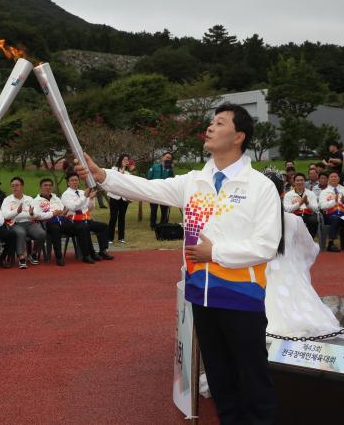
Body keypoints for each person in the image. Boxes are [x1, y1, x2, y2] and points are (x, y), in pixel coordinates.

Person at [76, 103, 281, 424]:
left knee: (254, 383)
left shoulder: (259, 187)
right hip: (201, 296)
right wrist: (103, 176)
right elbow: (146, 188)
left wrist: (216, 253)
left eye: (220, 123)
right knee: (220, 382)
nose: (210, 127)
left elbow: (266, 245)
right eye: (211, 122)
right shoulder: (195, 182)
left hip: (242, 298)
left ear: (239, 136)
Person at [263, 168, 342, 339]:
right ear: (283, 192)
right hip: (290, 275)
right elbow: (310, 249)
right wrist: (297, 266)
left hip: (257, 275)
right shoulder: (294, 220)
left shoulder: (251, 220)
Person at [61, 172, 113, 264]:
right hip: (74, 221)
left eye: (76, 180)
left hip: (85, 219)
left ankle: (103, 250)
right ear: (68, 183)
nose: (75, 182)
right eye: (72, 180)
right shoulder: (66, 194)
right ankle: (87, 255)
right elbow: (73, 207)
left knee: (103, 226)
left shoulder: (81, 192)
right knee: (83, 228)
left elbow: (89, 208)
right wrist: (85, 197)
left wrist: (90, 198)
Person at [32, 178, 81, 267]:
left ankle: (86, 253)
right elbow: (37, 215)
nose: (48, 187)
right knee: (55, 229)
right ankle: (59, 257)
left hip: (62, 221)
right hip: (47, 223)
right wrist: (52, 214)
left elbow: (62, 210)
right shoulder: (36, 201)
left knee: (81, 228)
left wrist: (64, 212)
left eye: (50, 185)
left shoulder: (56, 198)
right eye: (45, 185)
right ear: (40, 187)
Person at [1, 177, 46, 268]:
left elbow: (36, 213)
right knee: (20, 233)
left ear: (22, 186)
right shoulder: (7, 200)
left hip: (30, 222)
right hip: (15, 223)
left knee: (42, 233)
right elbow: (5, 215)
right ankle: (21, 257)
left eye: (17, 185)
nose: (15, 188)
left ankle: (33, 254)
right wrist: (16, 212)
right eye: (12, 186)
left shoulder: (29, 199)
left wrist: (32, 213)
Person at [318, 170, 344, 252]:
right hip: (329, 215)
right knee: (335, 218)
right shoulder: (324, 192)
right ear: (328, 179)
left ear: (339, 179)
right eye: (331, 177)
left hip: (343, 215)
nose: (333, 178)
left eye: (335, 176)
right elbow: (322, 206)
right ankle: (331, 244)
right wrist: (334, 201)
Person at [107, 153, 133, 244]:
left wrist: (130, 197)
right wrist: (122, 169)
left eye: (127, 160)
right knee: (113, 217)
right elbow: (116, 180)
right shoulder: (114, 169)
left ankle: (121, 237)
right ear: (120, 160)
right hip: (114, 197)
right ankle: (110, 238)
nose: (126, 161)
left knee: (122, 217)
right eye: (124, 159)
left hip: (124, 198)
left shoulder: (128, 173)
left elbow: (129, 187)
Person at [283, 173, 319, 237]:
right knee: (298, 221)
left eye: (302, 180)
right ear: (294, 182)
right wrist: (299, 203)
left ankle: (310, 240)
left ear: (305, 182)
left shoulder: (310, 193)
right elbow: (287, 209)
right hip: (294, 215)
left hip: (309, 214)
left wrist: (307, 203)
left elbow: (316, 208)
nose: (300, 182)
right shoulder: (288, 194)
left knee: (314, 221)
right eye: (297, 180)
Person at [147, 151, 174, 229]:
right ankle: (153, 225)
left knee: (164, 210)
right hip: (154, 191)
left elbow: (172, 180)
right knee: (153, 210)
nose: (168, 159)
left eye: (169, 158)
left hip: (164, 192)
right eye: (166, 157)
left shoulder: (170, 168)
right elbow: (149, 178)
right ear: (162, 157)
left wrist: (171, 169)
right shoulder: (155, 167)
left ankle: (163, 225)